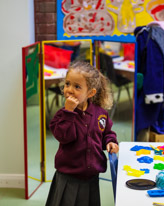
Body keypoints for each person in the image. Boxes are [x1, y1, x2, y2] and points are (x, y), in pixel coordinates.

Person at [45, 61, 119, 206]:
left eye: (77, 87)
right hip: (68, 178)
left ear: (90, 93)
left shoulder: (100, 114)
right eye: (67, 84)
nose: (70, 90)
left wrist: (111, 141)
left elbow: (106, 133)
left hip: (91, 177)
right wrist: (69, 113)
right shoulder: (62, 115)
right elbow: (64, 137)